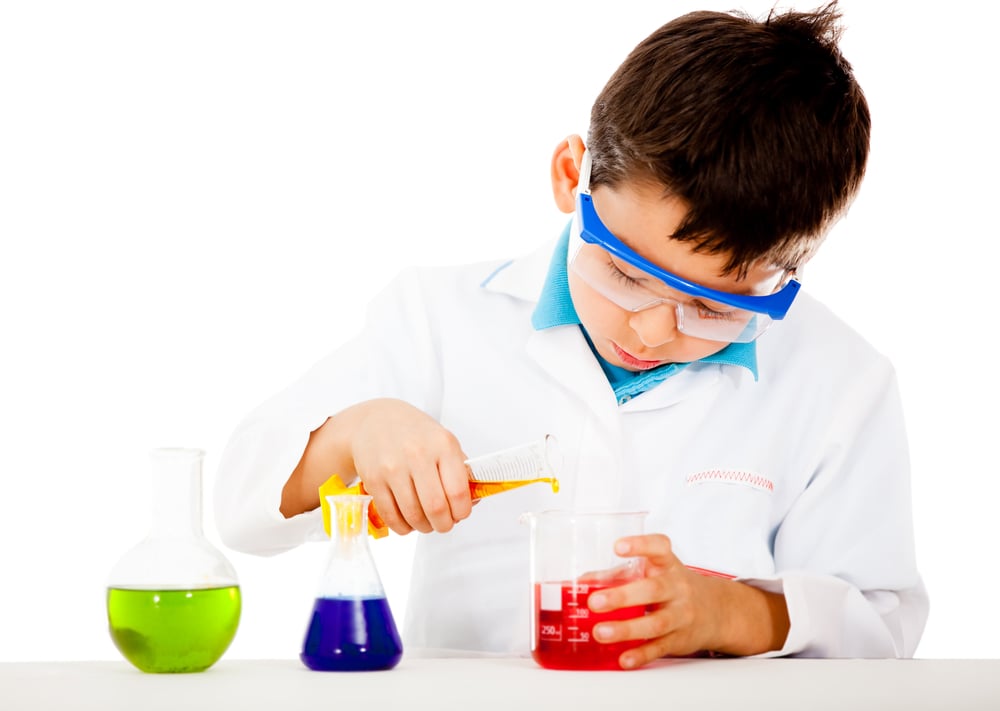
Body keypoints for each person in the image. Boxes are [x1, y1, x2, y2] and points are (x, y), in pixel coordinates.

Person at [215, 1, 928, 667]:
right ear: (570, 176)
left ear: (781, 280)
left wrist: (728, 612)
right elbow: (237, 504)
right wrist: (351, 436)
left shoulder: (840, 380)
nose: (650, 331)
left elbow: (882, 629)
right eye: (624, 272)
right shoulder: (439, 317)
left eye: (712, 308)